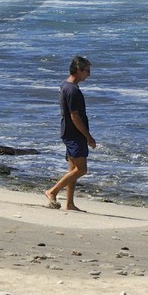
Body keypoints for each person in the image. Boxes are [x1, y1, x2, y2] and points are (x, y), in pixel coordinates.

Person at [45, 55, 96, 211]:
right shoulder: (72, 90)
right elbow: (75, 116)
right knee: (81, 170)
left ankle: (70, 204)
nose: (89, 74)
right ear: (78, 70)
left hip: (68, 132)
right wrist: (88, 137)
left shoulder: (65, 86)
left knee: (73, 170)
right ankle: (52, 191)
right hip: (74, 134)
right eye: (87, 71)